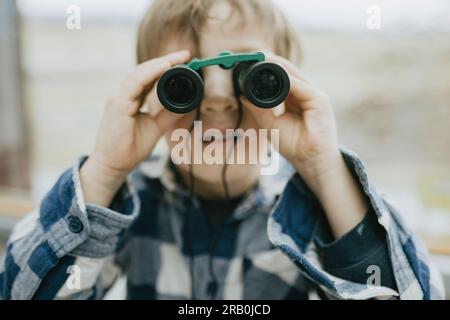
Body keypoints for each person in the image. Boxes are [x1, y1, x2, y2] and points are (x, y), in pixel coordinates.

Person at [0, 0, 444, 300]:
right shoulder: (124, 208)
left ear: (284, 87)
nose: (216, 101)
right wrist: (106, 169)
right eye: (183, 81)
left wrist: (323, 167)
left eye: (250, 74)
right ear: (150, 91)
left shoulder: (313, 214)